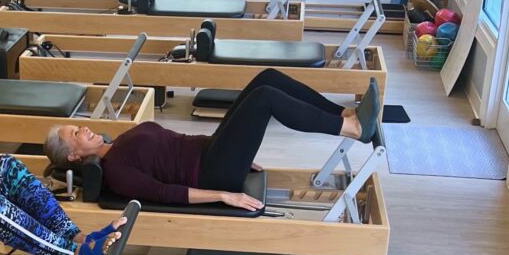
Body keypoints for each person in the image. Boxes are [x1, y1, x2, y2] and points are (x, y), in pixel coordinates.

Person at [45, 69, 381, 210]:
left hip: (214, 150)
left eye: (77, 126)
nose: (83, 129)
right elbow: (164, 193)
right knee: (265, 98)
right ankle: (352, 129)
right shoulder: (116, 170)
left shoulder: (117, 143)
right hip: (212, 173)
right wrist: (223, 194)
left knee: (267, 78)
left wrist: (237, 148)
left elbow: (174, 146)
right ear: (73, 156)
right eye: (75, 134)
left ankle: (345, 114)